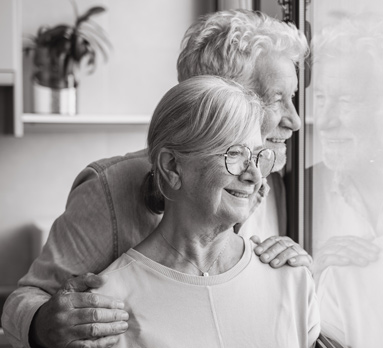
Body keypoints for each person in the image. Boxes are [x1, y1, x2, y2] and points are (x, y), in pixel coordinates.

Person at [2, 10, 312, 348]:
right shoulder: (112, 187)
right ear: (215, 98)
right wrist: (42, 324)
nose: (294, 120)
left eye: (293, 97)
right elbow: (28, 298)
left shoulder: (275, 183)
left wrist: (290, 267)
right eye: (276, 99)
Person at [93, 75, 320, 348]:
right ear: (173, 166)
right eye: (234, 154)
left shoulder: (292, 279)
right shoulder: (108, 306)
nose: (254, 176)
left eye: (258, 156)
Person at [310, 14, 383, 347]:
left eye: (345, 101)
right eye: (321, 98)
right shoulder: (296, 191)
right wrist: (308, 275)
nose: (324, 121)